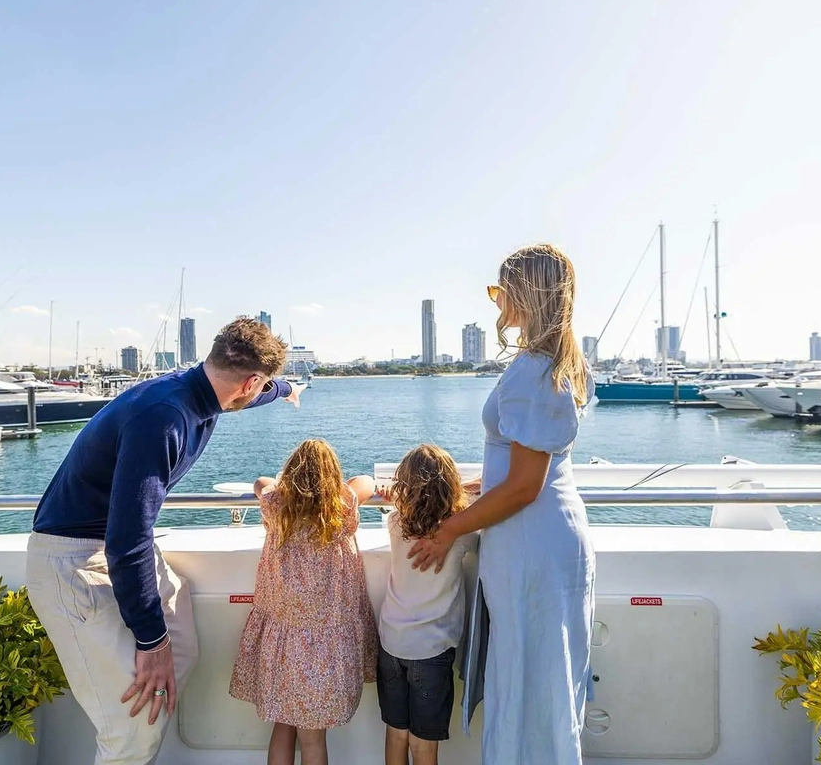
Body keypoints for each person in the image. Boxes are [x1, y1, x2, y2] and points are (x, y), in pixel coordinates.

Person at [25, 317, 301, 765]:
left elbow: (253, 395)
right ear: (249, 380)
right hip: (74, 560)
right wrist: (151, 643)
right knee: (133, 721)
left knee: (182, 651)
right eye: (262, 385)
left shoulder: (202, 389)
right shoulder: (164, 418)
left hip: (108, 548)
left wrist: (285, 390)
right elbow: (127, 536)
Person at [409, 244, 596, 764]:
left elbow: (523, 486)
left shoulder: (535, 370)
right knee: (538, 675)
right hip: (539, 534)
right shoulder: (551, 364)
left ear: (525, 294)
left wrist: (449, 530)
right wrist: (467, 489)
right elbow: (518, 468)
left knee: (533, 679)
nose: (496, 302)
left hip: (531, 538)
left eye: (500, 291)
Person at [229, 439, 378, 765]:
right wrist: (335, 485)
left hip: (283, 648)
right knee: (313, 740)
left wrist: (285, 487)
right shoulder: (340, 513)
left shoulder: (277, 510)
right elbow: (367, 482)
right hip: (325, 651)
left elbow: (261, 484)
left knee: (282, 727)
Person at [376, 444, 479, 765]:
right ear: (450, 485)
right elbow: (486, 499)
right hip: (431, 650)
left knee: (396, 735)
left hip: (392, 644)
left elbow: (402, 505)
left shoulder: (395, 523)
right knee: (423, 746)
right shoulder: (460, 534)